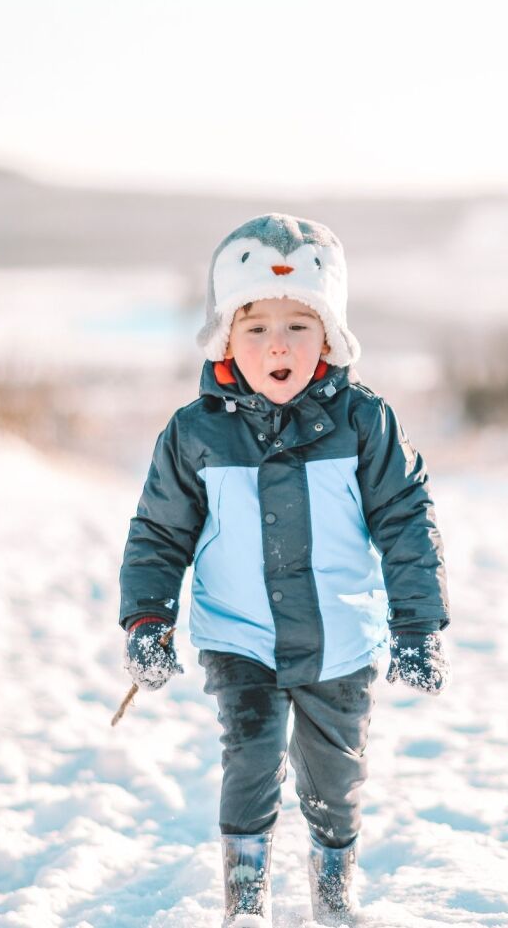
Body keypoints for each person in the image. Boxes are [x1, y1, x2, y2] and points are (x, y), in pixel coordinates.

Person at [118, 213, 450, 927]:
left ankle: (333, 891)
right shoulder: (195, 433)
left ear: (329, 337)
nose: (278, 344)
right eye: (257, 325)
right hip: (239, 637)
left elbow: (405, 517)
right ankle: (247, 898)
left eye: (299, 325)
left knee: (335, 775)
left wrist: (419, 623)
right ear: (225, 338)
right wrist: (148, 618)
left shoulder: (365, 424)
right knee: (251, 758)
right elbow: (159, 530)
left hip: (341, 637)